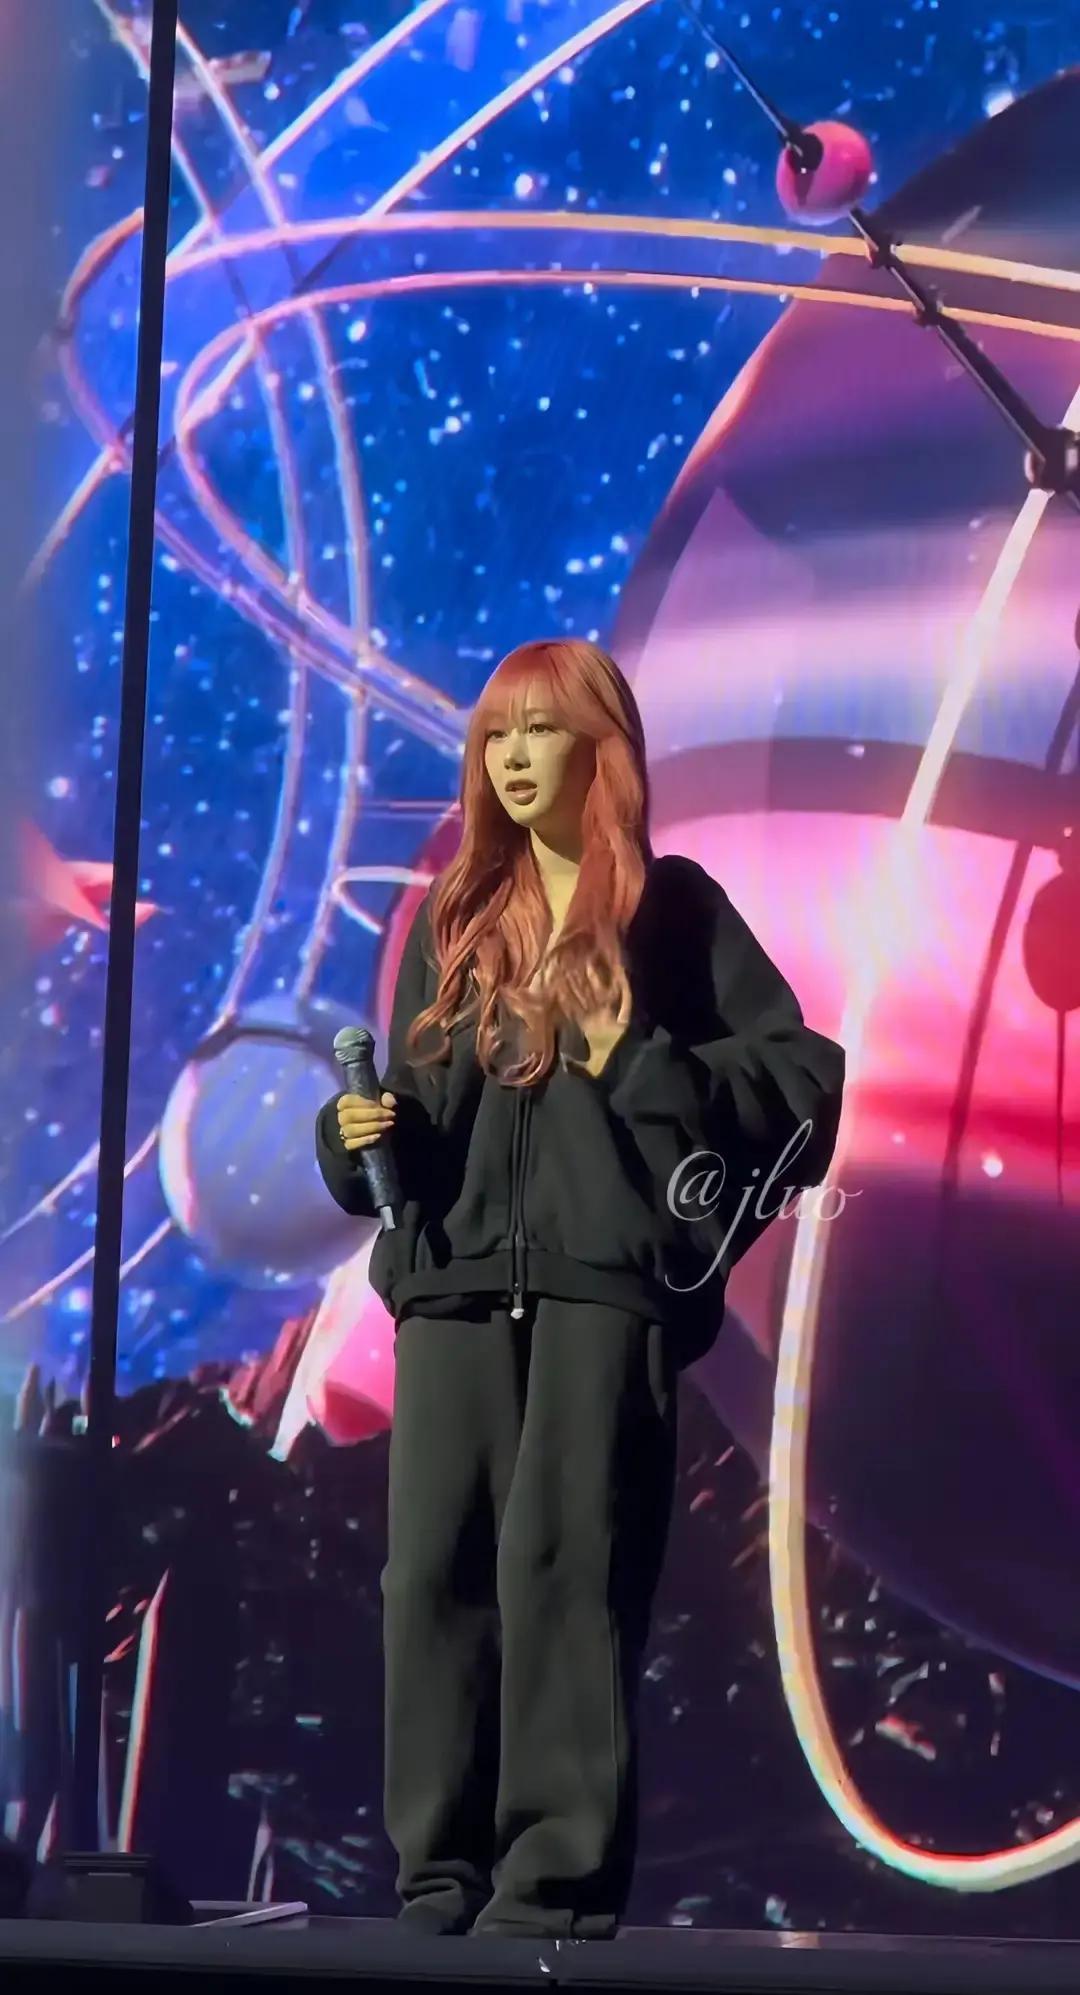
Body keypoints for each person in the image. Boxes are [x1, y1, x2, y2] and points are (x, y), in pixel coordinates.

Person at [315, 638, 845, 1939]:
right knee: (431, 1582)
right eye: (496, 734)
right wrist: (358, 1137)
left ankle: (548, 1896)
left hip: (602, 1296)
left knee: (568, 1570)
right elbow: (421, 1117)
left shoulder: (674, 914)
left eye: (540, 731)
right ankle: (435, 1888)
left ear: (598, 751)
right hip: (450, 1293)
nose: (511, 757)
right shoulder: (461, 921)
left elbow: (800, 1091)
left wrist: (636, 1055)